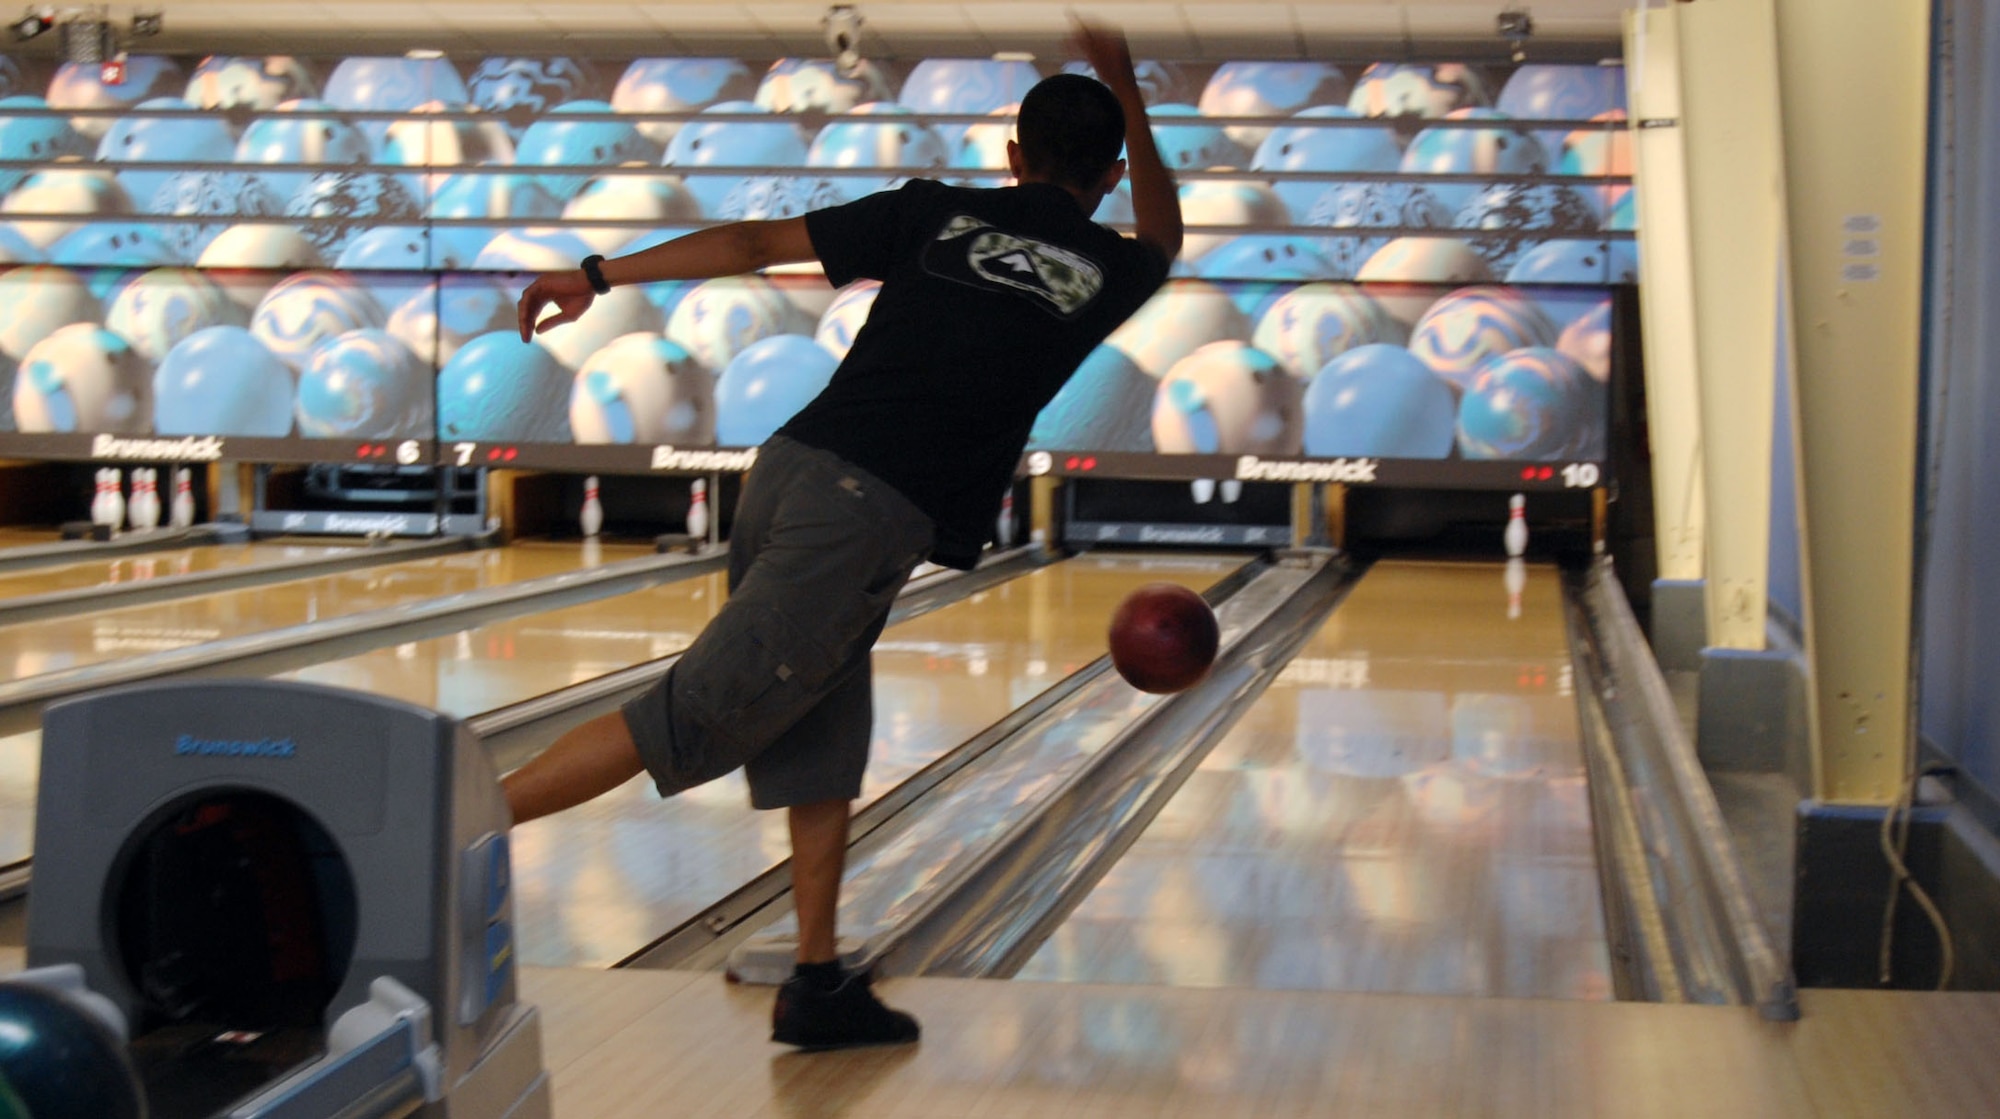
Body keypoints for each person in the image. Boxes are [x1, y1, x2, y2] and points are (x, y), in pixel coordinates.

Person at [508, 23, 1182, 1051]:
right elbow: (1166, 233)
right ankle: (448, 821)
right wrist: (1128, 82)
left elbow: (744, 245)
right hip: (864, 513)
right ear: (1111, 173)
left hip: (793, 470)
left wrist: (595, 276)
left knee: (818, 736)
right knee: (690, 715)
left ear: (1012, 159)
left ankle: (816, 982)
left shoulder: (933, 212)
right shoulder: (1110, 264)